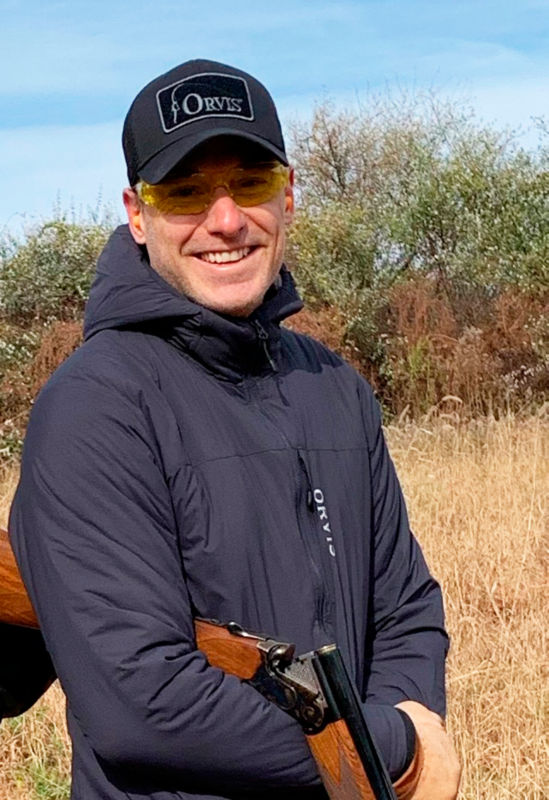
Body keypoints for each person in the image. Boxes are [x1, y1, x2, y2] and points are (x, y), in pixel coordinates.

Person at [9, 59, 460, 799]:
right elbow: (143, 703)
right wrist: (393, 745)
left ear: (288, 196)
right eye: (185, 192)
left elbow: (405, 606)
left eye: (250, 183)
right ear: (137, 213)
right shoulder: (96, 406)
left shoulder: (334, 387)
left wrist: (400, 733)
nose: (224, 220)